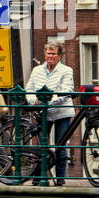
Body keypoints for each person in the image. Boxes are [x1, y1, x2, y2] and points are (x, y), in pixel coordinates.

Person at [25, 42, 75, 185]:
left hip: (61, 111)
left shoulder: (66, 70)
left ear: (59, 56)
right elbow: (30, 88)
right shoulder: (37, 70)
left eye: (54, 54)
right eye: (48, 53)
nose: (51, 56)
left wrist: (49, 102)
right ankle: (40, 176)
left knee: (60, 144)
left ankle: (60, 179)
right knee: (42, 144)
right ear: (45, 54)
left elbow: (66, 91)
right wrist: (33, 100)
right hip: (43, 111)